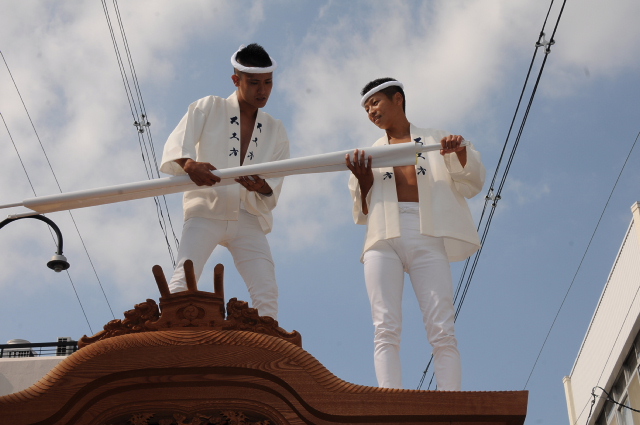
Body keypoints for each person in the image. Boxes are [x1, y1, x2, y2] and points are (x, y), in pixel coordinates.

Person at [346, 78, 485, 391]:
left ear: (398, 99)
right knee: (385, 327)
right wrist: (364, 180)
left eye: (375, 102)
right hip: (383, 237)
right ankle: (390, 400)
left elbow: (472, 183)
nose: (371, 111)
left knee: (442, 328)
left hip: (427, 232)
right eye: (366, 108)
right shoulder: (370, 153)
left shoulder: (435, 139)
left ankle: (450, 401)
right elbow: (362, 213)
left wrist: (459, 152)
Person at [160, 44, 289, 320]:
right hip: (207, 208)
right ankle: (171, 338)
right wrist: (189, 164)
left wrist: (261, 186)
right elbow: (178, 142)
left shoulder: (275, 129)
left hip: (247, 215)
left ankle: (266, 345)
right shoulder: (210, 106)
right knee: (184, 278)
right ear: (236, 80)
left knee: (267, 291)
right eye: (254, 83)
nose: (262, 90)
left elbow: (276, 178)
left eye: (268, 82)